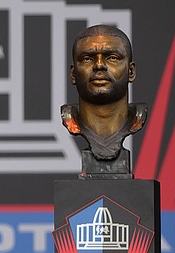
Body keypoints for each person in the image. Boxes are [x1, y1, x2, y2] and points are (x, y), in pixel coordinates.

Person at [60, 24, 146, 174]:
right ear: (73, 74)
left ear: (131, 72)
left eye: (112, 58)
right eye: (87, 59)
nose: (99, 65)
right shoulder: (71, 120)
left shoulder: (137, 119)